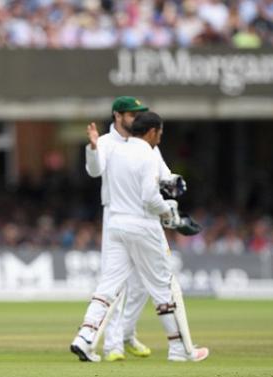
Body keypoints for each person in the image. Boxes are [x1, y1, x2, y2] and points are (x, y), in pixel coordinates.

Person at [70, 111, 209, 363]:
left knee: (108, 285)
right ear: (152, 131)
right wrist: (170, 212)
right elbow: (149, 197)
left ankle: (85, 338)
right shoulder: (147, 153)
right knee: (164, 286)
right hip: (143, 225)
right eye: (160, 133)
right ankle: (180, 349)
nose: (160, 138)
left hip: (116, 225)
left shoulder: (116, 151)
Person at [83, 97, 184, 361]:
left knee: (140, 285)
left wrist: (175, 184)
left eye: (139, 115)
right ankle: (112, 345)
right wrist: (93, 148)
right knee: (116, 281)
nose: (136, 119)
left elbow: (164, 175)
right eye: (131, 114)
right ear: (118, 116)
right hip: (115, 213)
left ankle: (126, 333)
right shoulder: (106, 143)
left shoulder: (147, 146)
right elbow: (94, 171)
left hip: (143, 215)